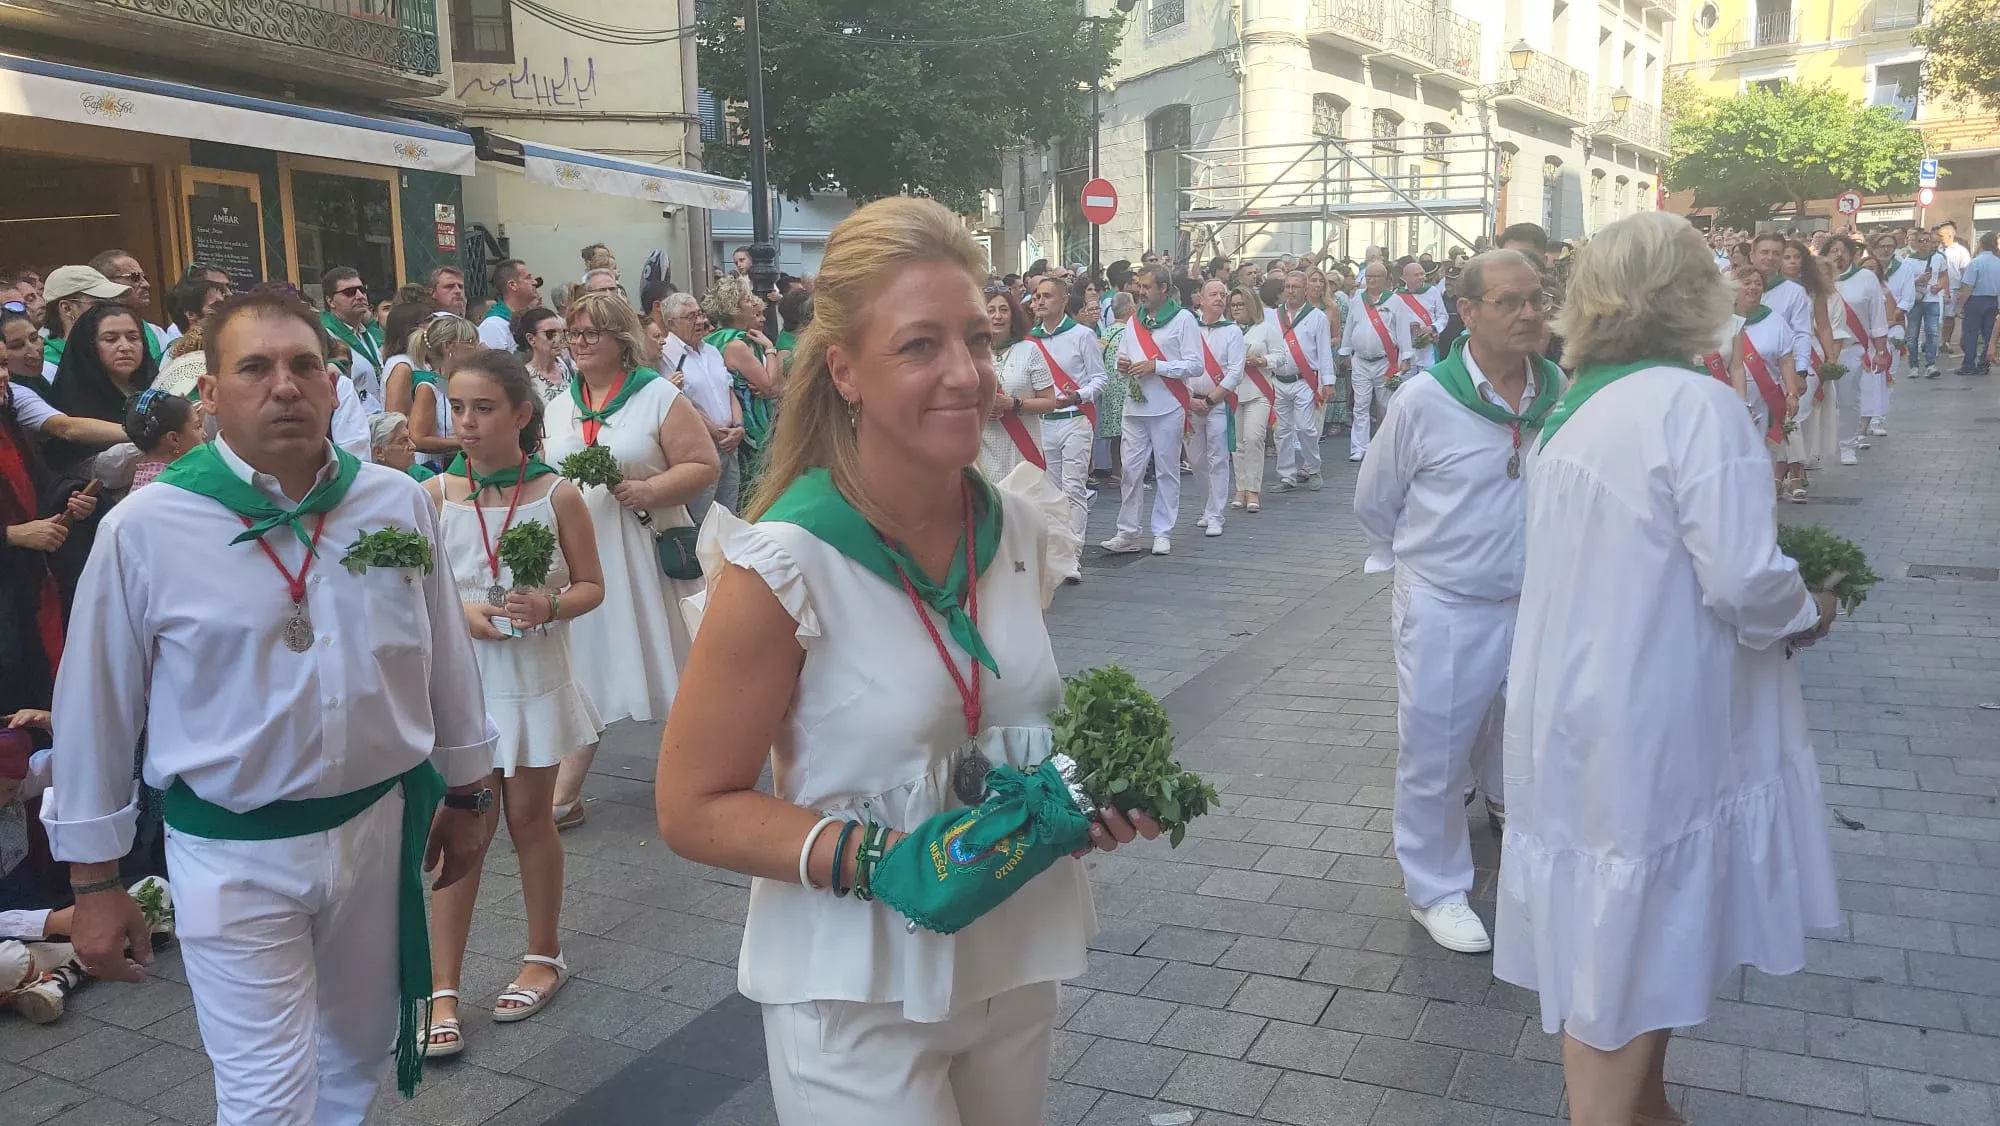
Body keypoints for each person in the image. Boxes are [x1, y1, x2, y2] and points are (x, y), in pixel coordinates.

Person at [654, 195, 1154, 1126]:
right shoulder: (783, 562)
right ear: (843, 370)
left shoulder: (1017, 526)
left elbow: (986, 724)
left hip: (1014, 959)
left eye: (977, 338)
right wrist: (877, 859)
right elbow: (691, 807)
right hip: (857, 993)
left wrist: (1077, 801)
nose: (966, 373)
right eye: (920, 345)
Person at [41, 290, 498, 1125]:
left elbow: (444, 654)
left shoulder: (393, 501)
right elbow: (95, 706)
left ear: (332, 385)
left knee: (354, 1055)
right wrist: (95, 879)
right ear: (210, 394)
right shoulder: (147, 526)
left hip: (375, 826)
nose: (283, 385)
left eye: (302, 366)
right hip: (233, 848)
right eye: (254, 367)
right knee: (267, 1094)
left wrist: (470, 788)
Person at [1495, 212, 1839, 1126]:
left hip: (1576, 696)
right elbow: (1741, 576)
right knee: (1624, 949)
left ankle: (1646, 1108)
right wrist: (1808, 609)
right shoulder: (1694, 404)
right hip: (1655, 704)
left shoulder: (1576, 408)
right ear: (1688, 294)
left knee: (1618, 928)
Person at [1354, 250, 1557, 955]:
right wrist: (1428, 563)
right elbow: (1375, 500)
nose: (1529, 313)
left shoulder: (1560, 391)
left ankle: (1523, 840)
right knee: (1435, 752)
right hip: (1445, 600)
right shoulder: (1424, 400)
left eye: (1537, 299)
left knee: (1527, 735)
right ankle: (1435, 889)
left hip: (1534, 599)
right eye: (1510, 302)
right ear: (1467, 312)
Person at [421, 349, 605, 1058]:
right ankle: (442, 987)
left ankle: (544, 954)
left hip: (530, 676)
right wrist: (461, 612)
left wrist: (550, 604)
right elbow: (416, 589)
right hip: (463, 684)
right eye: (457, 407)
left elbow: (591, 585)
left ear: (522, 413)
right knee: (460, 824)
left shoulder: (557, 495)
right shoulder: (433, 496)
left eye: (484, 408)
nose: (466, 422)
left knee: (530, 818)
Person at [543, 292, 720, 828]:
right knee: (585, 662)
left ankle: (705, 773)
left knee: (675, 659)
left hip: (646, 550)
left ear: (620, 340)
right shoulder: (560, 404)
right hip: (585, 554)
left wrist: (651, 489)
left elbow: (703, 464)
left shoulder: (658, 396)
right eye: (573, 334)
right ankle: (565, 791)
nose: (578, 343)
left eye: (590, 333)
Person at [1102, 264, 1200, 556]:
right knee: (1130, 471)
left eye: (1146, 287)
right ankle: (1128, 532)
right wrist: (1122, 365)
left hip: (1168, 405)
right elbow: (1122, 357)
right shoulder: (1135, 321)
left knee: (1167, 470)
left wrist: (1157, 366)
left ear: (1163, 288)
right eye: (1139, 287)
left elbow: (1195, 365)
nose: (1140, 292)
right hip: (1135, 406)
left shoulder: (1183, 319)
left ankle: (1162, 531)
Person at [1024, 275, 1107, 582]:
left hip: (1075, 419)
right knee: (1050, 492)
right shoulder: (1029, 340)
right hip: (1043, 422)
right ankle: (1054, 554)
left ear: (1063, 300)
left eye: (1047, 296)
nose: (1040, 301)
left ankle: (1072, 555)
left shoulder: (1082, 335)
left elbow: (1100, 379)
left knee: (1073, 488)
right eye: (1036, 296)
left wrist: (1078, 396)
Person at [659, 292, 745, 521]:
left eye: (700, 314)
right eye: (691, 317)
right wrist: (716, 433)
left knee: (729, 515)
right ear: (671, 323)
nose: (700, 321)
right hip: (701, 446)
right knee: (702, 517)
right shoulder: (665, 355)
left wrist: (738, 426)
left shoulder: (711, 351)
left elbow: (728, 389)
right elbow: (682, 403)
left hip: (730, 442)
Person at [703, 276, 783, 490]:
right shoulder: (738, 345)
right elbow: (770, 387)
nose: (753, 303)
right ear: (735, 309)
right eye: (747, 300)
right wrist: (770, 348)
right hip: (750, 428)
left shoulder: (713, 339)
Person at [1725, 264, 1800, 488]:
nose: (1753, 287)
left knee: (1762, 448)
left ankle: (1761, 492)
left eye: (1758, 283)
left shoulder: (1775, 320)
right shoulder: (1722, 321)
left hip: (1764, 396)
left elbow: (1786, 359)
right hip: (1729, 393)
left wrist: (1792, 393)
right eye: (1746, 283)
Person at [1186, 279, 1244, 538]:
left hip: (1217, 404)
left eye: (1223, 294)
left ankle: (1216, 514)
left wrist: (1210, 400)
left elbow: (1235, 372)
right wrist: (1189, 399)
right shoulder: (1189, 327)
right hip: (1191, 402)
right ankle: (1207, 506)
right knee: (1196, 460)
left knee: (1218, 458)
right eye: (1213, 294)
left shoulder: (1232, 331)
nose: (1219, 298)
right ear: (1201, 298)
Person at [978, 287, 1056, 479]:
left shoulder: (1029, 350)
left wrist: (1014, 404)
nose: (997, 316)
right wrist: (982, 408)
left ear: (1013, 316)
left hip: (1022, 451)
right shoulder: (972, 353)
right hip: (983, 451)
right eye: (991, 310)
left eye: (1004, 310)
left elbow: (1049, 402)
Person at [1341, 261, 1414, 463]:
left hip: (1385, 361)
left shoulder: (1395, 301)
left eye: (1375, 277)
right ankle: (1359, 447)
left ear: (1385, 279)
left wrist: (1406, 356)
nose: (1371, 280)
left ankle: (1388, 446)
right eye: (1368, 277)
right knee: (1360, 405)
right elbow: (1350, 326)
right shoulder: (1357, 299)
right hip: (1360, 361)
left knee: (1386, 405)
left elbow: (1402, 330)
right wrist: (1345, 350)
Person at [1269, 270, 1335, 487]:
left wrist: (1328, 382)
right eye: (1288, 287)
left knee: (1306, 428)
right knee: (1282, 430)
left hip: (1304, 381)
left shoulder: (1317, 317)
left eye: (1295, 287)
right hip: (1278, 380)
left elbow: (1324, 351)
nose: (1291, 291)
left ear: (1305, 289)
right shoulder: (1272, 316)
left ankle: (1313, 467)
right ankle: (1286, 475)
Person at [1826, 237, 1891, 458]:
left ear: (1853, 254)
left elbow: (1877, 317)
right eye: (1833, 250)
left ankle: (1847, 445)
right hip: (1820, 349)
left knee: (1848, 400)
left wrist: (1881, 351)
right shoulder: (1816, 278)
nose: (1839, 255)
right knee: (1817, 401)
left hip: (1851, 348)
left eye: (1844, 250)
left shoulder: (1866, 278)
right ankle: (1815, 450)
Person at [404, 314, 481, 470]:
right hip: (435, 469)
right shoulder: (429, 386)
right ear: (448, 346)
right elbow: (418, 439)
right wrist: (466, 441)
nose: (476, 348)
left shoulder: (461, 382)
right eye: (471, 342)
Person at [1229, 284, 1278, 512]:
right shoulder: (1228, 329)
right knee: (1237, 443)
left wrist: (1263, 360)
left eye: (1241, 304)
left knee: (1254, 438)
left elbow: (1282, 356)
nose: (1236, 308)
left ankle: (1253, 490)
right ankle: (1240, 488)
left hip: (1259, 391)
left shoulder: (1266, 329)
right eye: (1233, 305)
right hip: (1234, 392)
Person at [37, 266, 132, 378]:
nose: (111, 310)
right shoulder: (46, 368)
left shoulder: (120, 355)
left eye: (114, 302)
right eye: (100, 303)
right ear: (67, 308)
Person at [319, 268, 385, 413]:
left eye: (362, 290)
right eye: (350, 292)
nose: (360, 296)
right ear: (330, 301)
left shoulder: (365, 333)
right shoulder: (324, 336)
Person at [89, 250, 171, 360]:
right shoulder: (88, 331)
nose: (146, 285)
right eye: (134, 277)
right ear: (107, 282)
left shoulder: (156, 332)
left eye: (144, 277)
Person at [123, 389, 201, 491]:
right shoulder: (182, 486)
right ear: (174, 439)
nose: (204, 434)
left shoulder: (144, 481)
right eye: (197, 427)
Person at [1952, 230, 2000, 376]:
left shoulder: (1976, 262)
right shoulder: (1998, 263)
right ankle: (1984, 363)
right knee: (1989, 333)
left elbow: (1968, 286)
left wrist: (1960, 306)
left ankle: (1968, 365)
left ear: (1980, 244)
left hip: (1975, 300)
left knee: (1971, 333)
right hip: (1993, 300)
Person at [512, 306, 575, 401]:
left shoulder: (566, 365)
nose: (558, 339)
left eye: (560, 332)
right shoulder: (524, 379)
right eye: (550, 334)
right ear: (531, 339)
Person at [1396, 259, 1448, 370]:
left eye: (1422, 274)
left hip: (1428, 349)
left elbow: (1443, 317)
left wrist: (1432, 328)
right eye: (1416, 275)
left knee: (1428, 378)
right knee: (1405, 380)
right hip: (1406, 350)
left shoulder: (1433, 291)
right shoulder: (1397, 295)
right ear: (1405, 278)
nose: (1420, 277)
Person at [479, 260, 541, 351]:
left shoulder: (530, 319)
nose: (535, 282)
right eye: (528, 278)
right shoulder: (493, 325)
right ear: (512, 285)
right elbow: (496, 360)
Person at [1934, 221, 1972, 358]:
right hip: (1937, 288)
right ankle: (1933, 341)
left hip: (1954, 288)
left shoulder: (1961, 251)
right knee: (1935, 315)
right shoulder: (1936, 250)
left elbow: (1966, 272)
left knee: (1949, 316)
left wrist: (1963, 289)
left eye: (1941, 235)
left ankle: (1946, 341)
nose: (1939, 238)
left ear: (1950, 235)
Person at [369, 412, 431, 481]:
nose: (413, 446)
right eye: (403, 441)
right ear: (379, 452)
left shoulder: (422, 476)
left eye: (409, 438)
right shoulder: (366, 484)